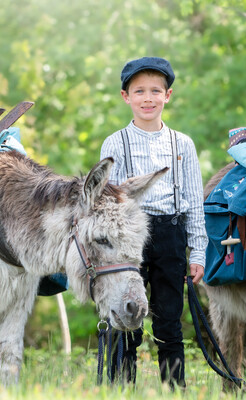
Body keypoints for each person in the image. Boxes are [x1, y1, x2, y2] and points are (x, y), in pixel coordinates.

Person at [99, 56, 208, 388]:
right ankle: (119, 390)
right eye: (139, 91)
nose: (148, 98)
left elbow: (194, 201)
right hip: (128, 238)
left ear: (168, 95)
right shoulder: (115, 142)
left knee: (169, 323)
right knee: (124, 318)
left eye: (155, 91)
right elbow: (105, 205)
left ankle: (174, 390)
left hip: (170, 236)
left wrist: (198, 252)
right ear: (126, 97)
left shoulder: (182, 144)